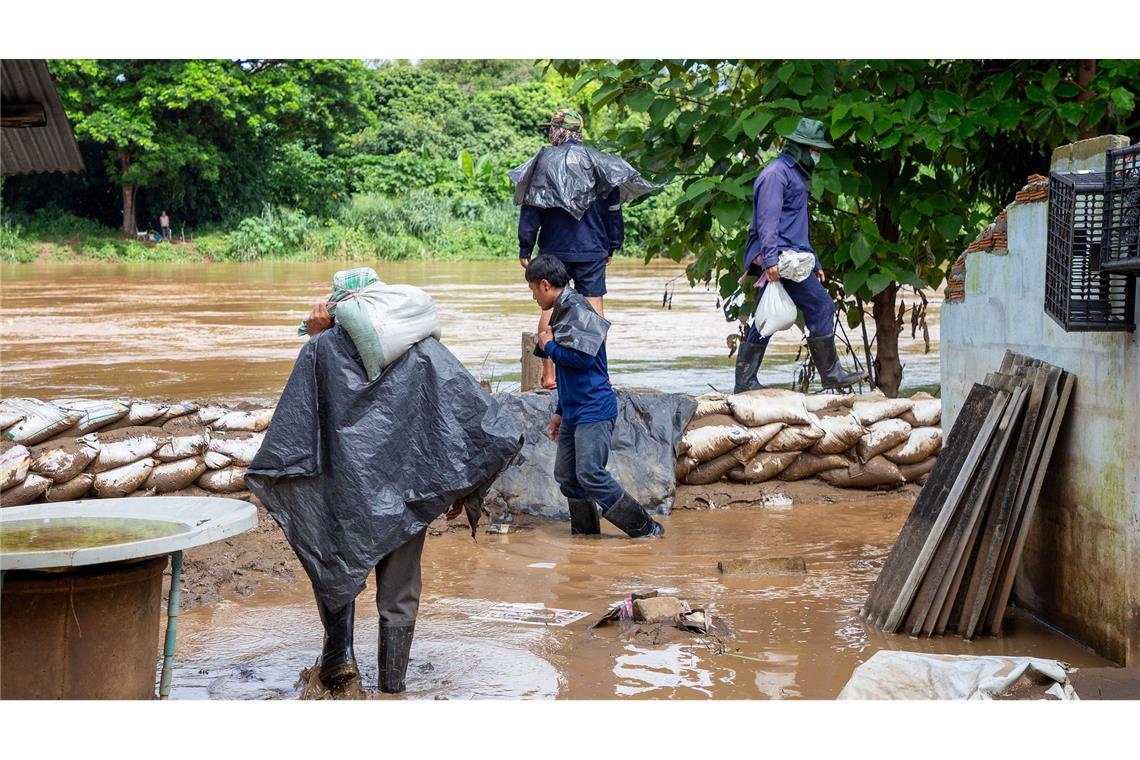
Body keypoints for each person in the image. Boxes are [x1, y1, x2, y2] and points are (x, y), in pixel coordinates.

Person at [246, 283, 521, 694]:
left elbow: (297, 434)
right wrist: (460, 488)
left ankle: (341, 657)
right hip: (408, 495)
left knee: (335, 565)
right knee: (400, 591)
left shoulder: (319, 351)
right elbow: (480, 423)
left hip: (342, 497)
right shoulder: (424, 350)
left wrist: (318, 338)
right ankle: (394, 688)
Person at [512, 108, 656, 389]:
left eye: (549, 130)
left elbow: (531, 210)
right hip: (592, 249)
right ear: (578, 132)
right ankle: (599, 374)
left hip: (554, 251)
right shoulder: (601, 163)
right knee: (594, 312)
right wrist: (613, 244)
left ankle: (550, 375)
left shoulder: (542, 162)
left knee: (550, 308)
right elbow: (613, 211)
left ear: (556, 131)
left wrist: (525, 247)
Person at [525, 255, 664, 538]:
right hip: (574, 409)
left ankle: (646, 529)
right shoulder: (562, 311)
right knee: (566, 475)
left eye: (533, 291)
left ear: (545, 285)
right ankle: (586, 536)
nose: (534, 298)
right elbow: (567, 371)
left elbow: (582, 361)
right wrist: (560, 411)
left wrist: (549, 346)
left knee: (590, 473)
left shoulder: (578, 310)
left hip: (594, 407)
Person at [735, 117, 864, 393]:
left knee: (764, 316)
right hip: (779, 258)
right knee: (821, 306)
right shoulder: (775, 175)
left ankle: (744, 381)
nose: (816, 154)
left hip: (790, 256)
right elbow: (767, 222)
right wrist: (770, 261)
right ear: (800, 148)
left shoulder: (794, 175)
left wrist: (813, 260)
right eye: (814, 149)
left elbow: (796, 227)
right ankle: (831, 373)